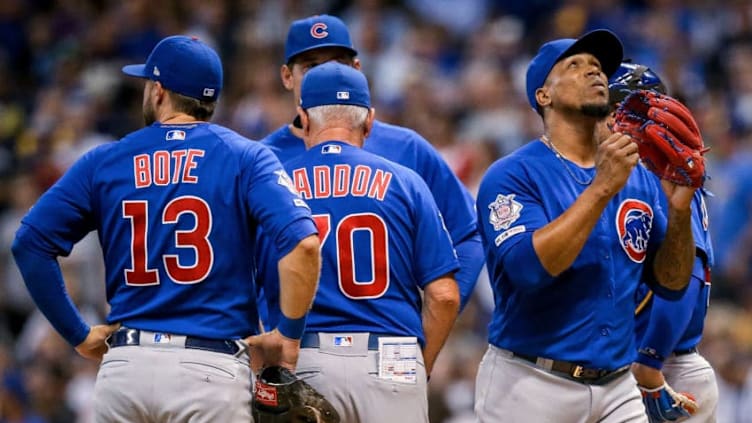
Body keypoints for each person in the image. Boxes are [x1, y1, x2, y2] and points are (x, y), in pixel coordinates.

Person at [11, 35, 321, 423]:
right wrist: (288, 334)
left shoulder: (105, 159)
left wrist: (77, 333)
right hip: (210, 370)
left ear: (159, 91)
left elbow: (29, 244)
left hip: (127, 368)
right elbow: (304, 245)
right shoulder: (246, 155)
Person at [474, 29, 697, 422]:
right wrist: (602, 188)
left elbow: (672, 283)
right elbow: (530, 271)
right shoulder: (511, 175)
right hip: (530, 381)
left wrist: (679, 212)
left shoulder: (638, 175)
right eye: (575, 66)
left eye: (597, 67)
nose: (594, 73)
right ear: (543, 96)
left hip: (617, 386)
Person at [258, 61, 460, 422]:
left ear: (303, 118)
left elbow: (243, 286)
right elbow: (444, 296)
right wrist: (417, 365)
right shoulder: (406, 182)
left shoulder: (274, 185)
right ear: (368, 120)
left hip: (306, 358)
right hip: (391, 354)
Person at [257, 15, 481, 328]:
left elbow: (468, 233)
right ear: (287, 76)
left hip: (384, 339)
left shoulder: (406, 147)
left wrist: (436, 320)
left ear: (357, 70)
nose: (327, 74)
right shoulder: (260, 158)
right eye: (310, 66)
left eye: (338, 63)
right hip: (294, 347)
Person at [607, 62, 719, 421]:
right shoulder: (630, 176)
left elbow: (688, 276)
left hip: (664, 367)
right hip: (633, 366)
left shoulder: (662, 176)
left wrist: (650, 362)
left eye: (616, 110)